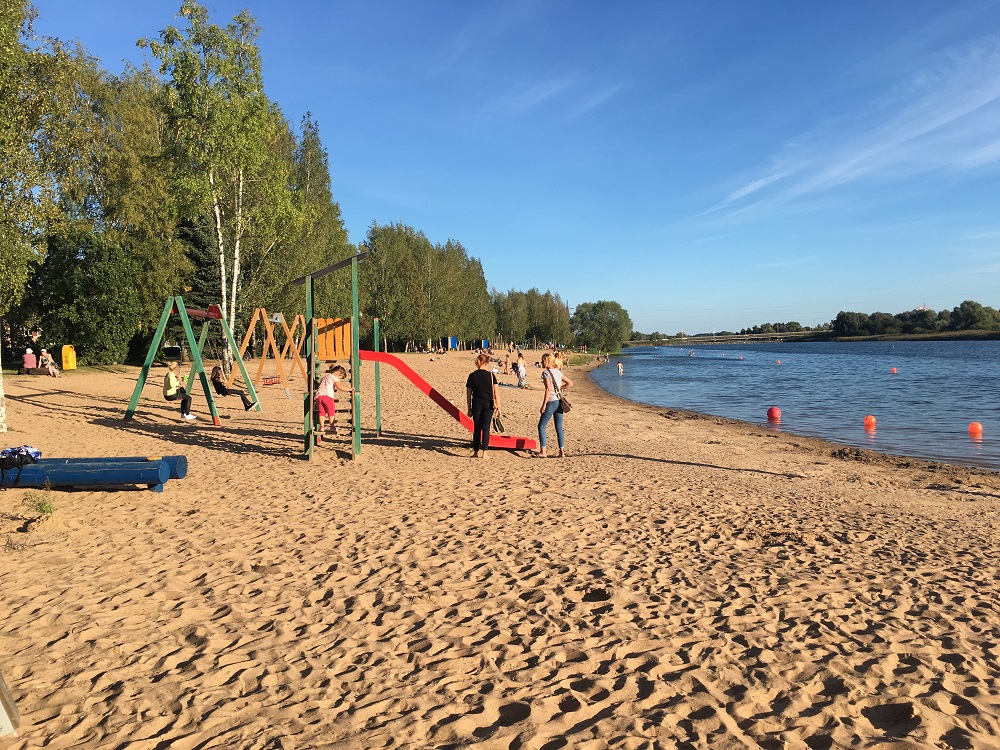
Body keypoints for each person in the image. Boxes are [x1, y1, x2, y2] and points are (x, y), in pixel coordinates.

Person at [536, 351, 573, 458]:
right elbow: (570, 383)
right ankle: (562, 451)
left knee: (541, 426)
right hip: (559, 401)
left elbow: (548, 390)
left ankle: (543, 451)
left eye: (543, 360)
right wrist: (561, 389)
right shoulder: (558, 372)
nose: (541, 362)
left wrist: (543, 405)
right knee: (559, 427)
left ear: (547, 361)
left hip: (551, 401)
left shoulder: (546, 373)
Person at [465, 353, 501, 458]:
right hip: (488, 404)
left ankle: (476, 452)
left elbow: (468, 394)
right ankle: (485, 453)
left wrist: (469, 408)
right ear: (486, 363)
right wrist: (498, 407)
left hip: (476, 403)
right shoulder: (491, 375)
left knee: (477, 428)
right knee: (486, 429)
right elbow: (496, 393)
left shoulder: (472, 376)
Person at [316, 364, 353, 433]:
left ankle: (322, 427)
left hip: (319, 396)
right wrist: (349, 389)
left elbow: (322, 386)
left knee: (321, 413)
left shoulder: (324, 377)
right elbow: (339, 387)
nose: (339, 379)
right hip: (328, 396)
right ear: (337, 374)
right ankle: (332, 427)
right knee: (331, 412)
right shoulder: (334, 378)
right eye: (340, 377)